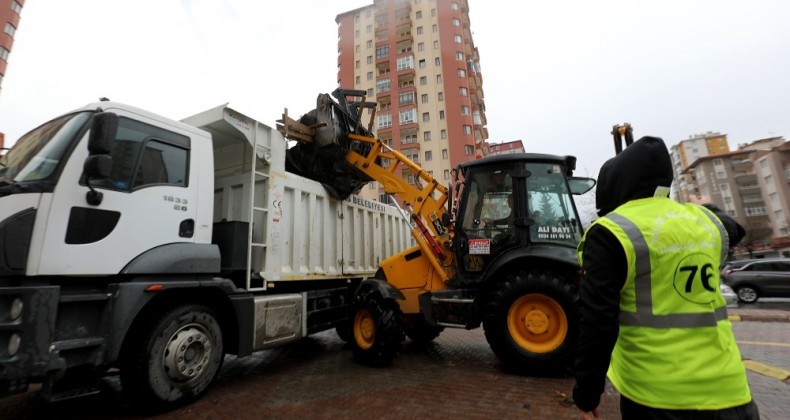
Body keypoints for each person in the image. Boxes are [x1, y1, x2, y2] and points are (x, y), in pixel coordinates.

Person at [572, 136, 759, 420]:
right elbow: (735, 229)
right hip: (731, 393)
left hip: (657, 396)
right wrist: (710, 206)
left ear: (614, 183)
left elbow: (598, 323)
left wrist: (587, 394)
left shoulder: (611, 232)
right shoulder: (704, 220)